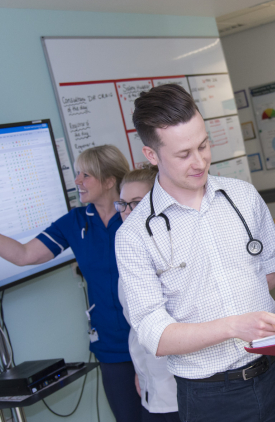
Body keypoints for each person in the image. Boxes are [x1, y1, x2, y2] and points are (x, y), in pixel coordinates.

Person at [115, 84, 275, 422]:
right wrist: (232, 325)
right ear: (152, 155)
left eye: (203, 145)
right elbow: (155, 336)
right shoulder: (135, 236)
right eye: (184, 154)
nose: (200, 161)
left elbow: (269, 274)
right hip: (210, 396)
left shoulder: (243, 198)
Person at [0, 145, 145, 421]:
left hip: (152, 338)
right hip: (112, 346)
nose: (77, 181)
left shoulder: (136, 215)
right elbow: (24, 254)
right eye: (77, 174)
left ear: (109, 180)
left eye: (85, 175)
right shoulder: (76, 221)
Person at [116, 166, 181, 422]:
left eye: (136, 203)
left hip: (180, 383)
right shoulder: (129, 249)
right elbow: (138, 326)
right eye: (122, 204)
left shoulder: (174, 248)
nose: (128, 212)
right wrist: (140, 370)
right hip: (151, 381)